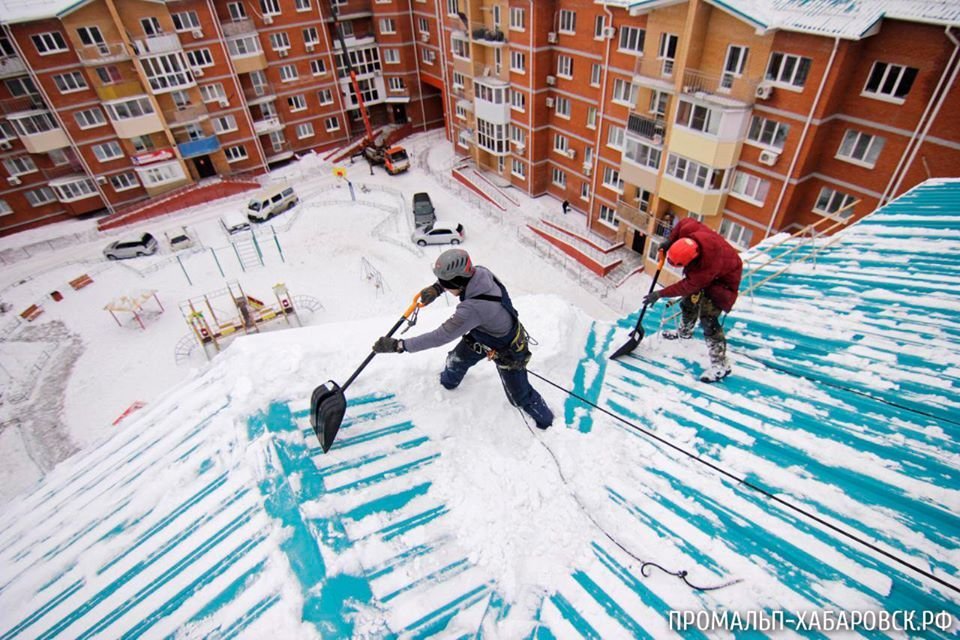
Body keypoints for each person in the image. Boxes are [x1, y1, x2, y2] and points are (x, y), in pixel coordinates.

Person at [372, 249, 554, 429]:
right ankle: (447, 383)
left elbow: (439, 336)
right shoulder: (480, 272)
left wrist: (399, 345)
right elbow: (458, 283)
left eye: (445, 283)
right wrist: (437, 288)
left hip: (507, 347)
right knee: (455, 361)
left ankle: (547, 423)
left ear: (458, 282)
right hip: (482, 333)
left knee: (519, 396)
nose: (444, 286)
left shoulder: (471, 310)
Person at [642, 218, 743, 383]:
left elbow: (686, 286)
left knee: (708, 320)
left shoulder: (706, 268)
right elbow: (683, 222)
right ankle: (684, 332)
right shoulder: (690, 231)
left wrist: (660, 294)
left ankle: (721, 365)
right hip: (711, 268)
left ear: (693, 259)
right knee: (688, 303)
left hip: (723, 281)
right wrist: (670, 241)